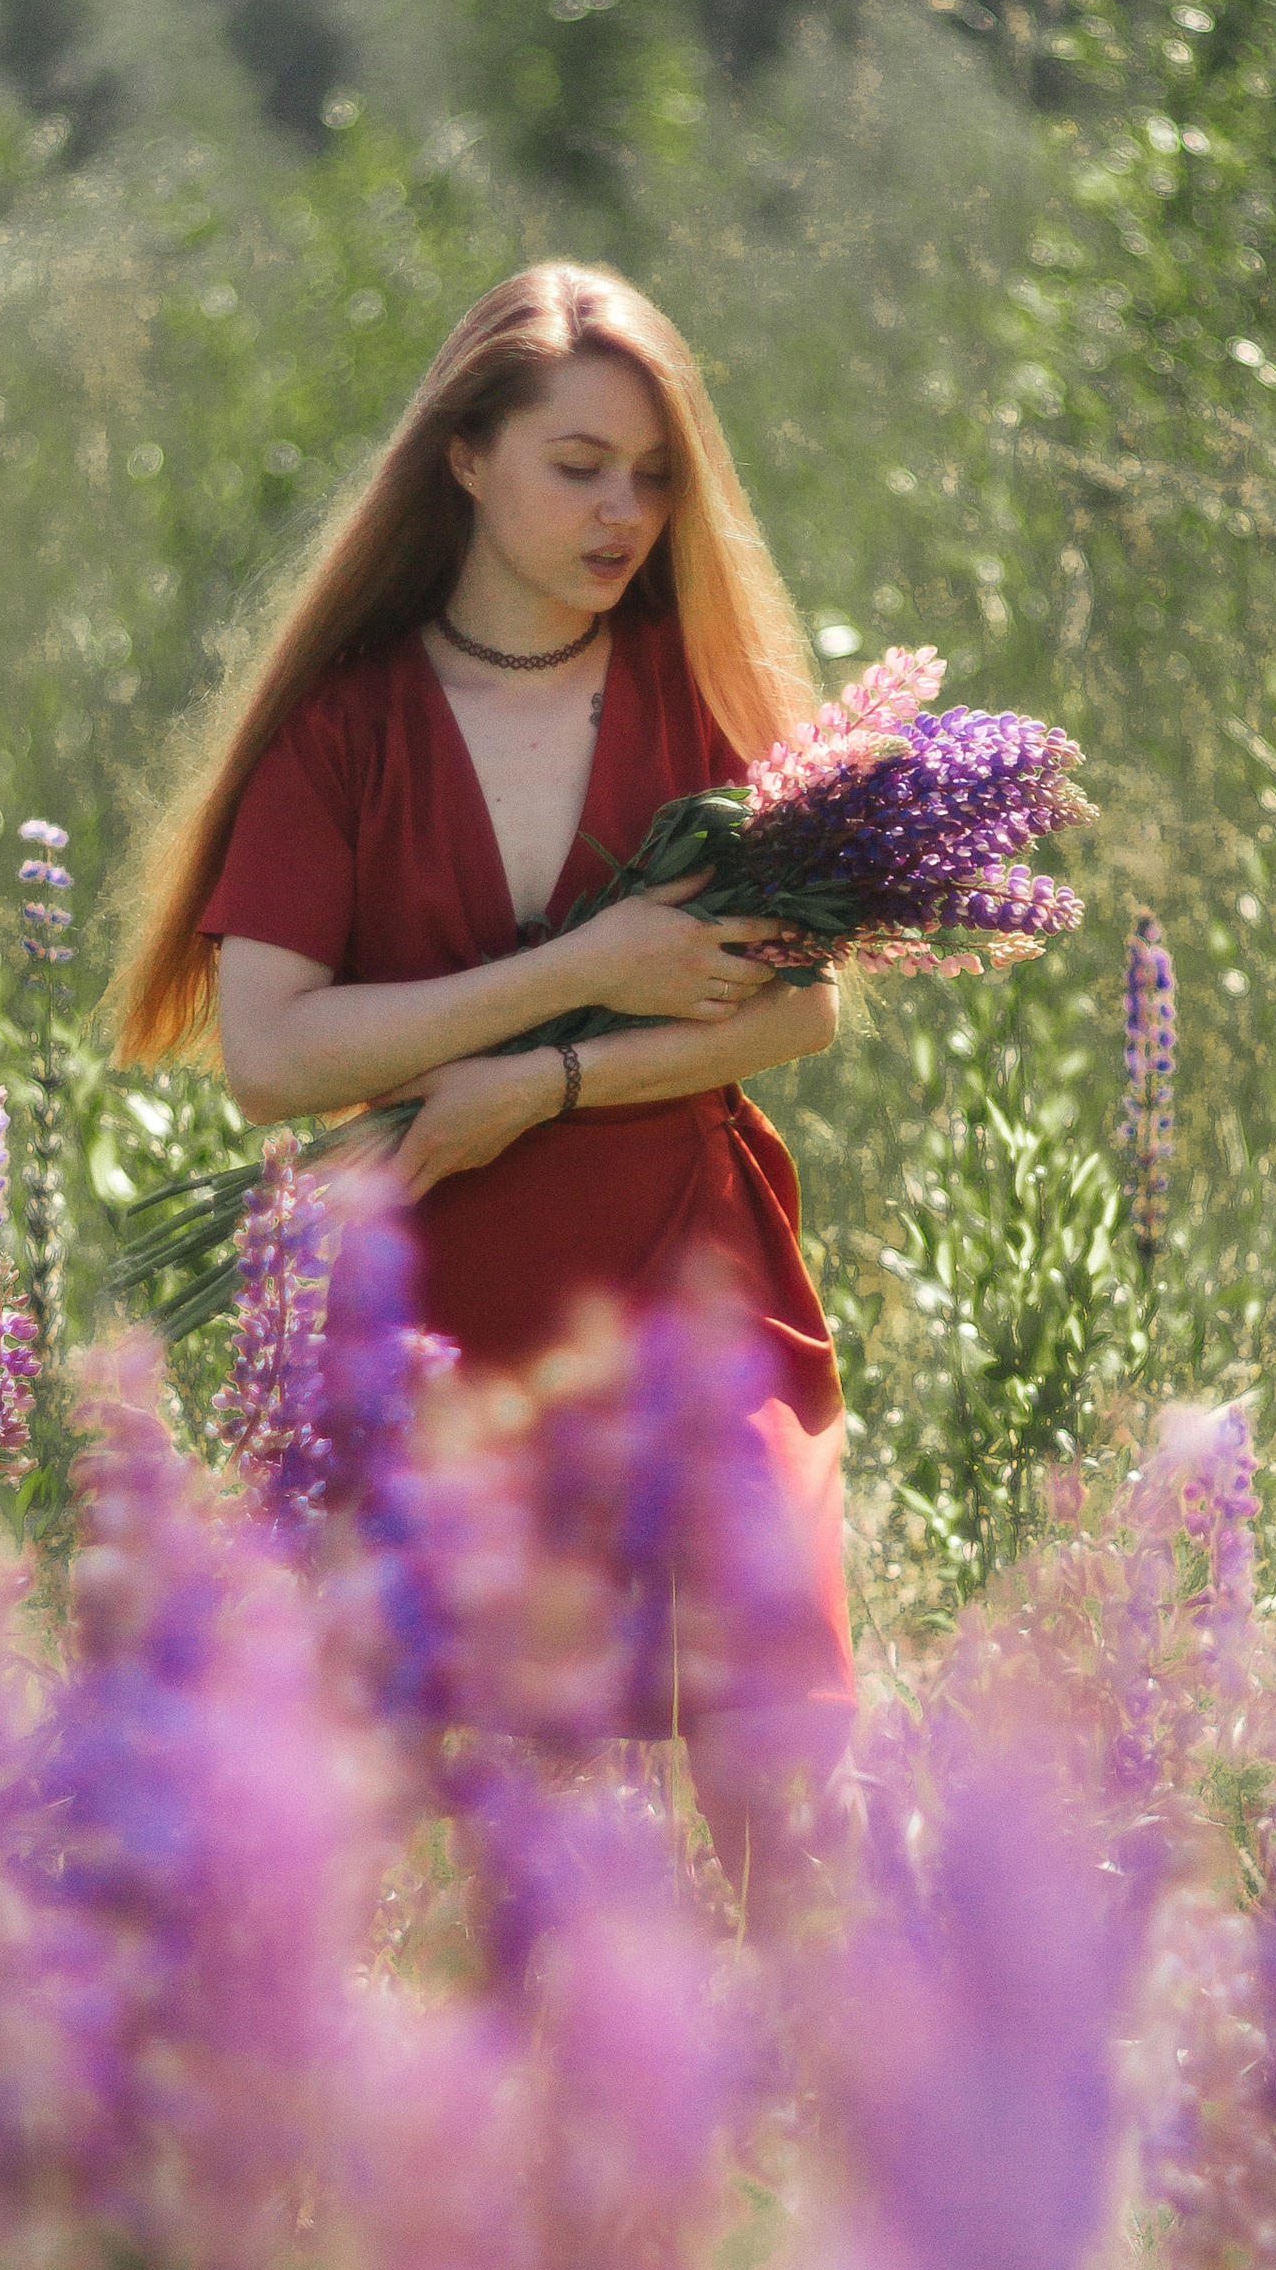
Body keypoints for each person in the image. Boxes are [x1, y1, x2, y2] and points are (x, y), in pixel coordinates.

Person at [111, 261, 852, 1889]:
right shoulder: (345, 731)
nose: (625, 513)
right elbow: (269, 1057)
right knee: (477, 1829)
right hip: (447, 1301)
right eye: (579, 466)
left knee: (770, 1770)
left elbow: (802, 1016)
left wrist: (551, 1080)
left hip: (686, 1270)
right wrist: (584, 971)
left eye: (654, 476)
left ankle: (830, 2117)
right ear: (465, 456)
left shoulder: (698, 692)